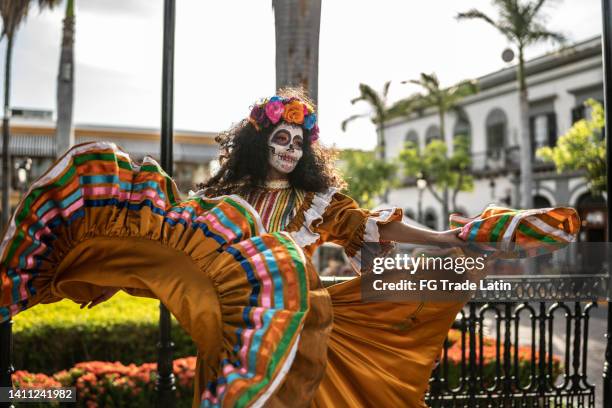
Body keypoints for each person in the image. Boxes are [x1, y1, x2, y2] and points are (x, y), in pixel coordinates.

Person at [0, 87, 576, 407]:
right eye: (280, 138)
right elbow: (166, 241)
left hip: (306, 332)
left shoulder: (316, 204)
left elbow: (376, 227)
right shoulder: (220, 205)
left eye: (298, 143)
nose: (290, 150)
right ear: (259, 143)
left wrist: (448, 238)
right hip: (230, 337)